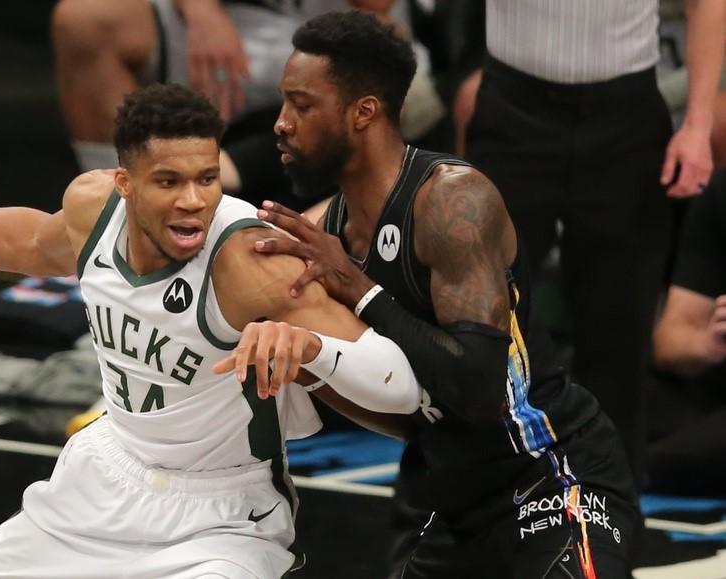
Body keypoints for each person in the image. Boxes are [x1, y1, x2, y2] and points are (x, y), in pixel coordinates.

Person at [0, 84, 425, 578]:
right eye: (169, 181)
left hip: (220, 515)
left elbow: (400, 384)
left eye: (207, 178)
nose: (194, 200)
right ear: (124, 182)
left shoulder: (253, 258)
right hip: (102, 478)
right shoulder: (92, 209)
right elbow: (30, 242)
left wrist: (312, 348)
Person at [254, 11, 639, 577]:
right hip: (452, 497)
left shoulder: (453, 202)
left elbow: (479, 389)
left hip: (550, 477)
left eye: (302, 105)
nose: (282, 124)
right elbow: (409, 410)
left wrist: (360, 290)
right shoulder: (325, 234)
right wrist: (313, 364)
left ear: (364, 112)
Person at [462, 0, 726, 482]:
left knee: (618, 342)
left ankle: (613, 528)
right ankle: (463, 514)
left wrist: (697, 123)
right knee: (480, 328)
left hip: (626, 114)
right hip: (513, 106)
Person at [51, 0, 440, 210]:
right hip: (225, 24)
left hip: (335, 21)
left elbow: (377, 8)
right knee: (84, 20)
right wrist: (200, 8)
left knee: (395, 86)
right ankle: (116, 213)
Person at [649, 168, 726, 494]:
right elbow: (669, 342)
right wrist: (708, 343)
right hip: (707, 400)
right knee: (596, 379)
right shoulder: (721, 192)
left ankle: (635, 466)